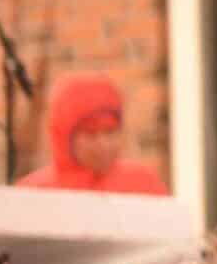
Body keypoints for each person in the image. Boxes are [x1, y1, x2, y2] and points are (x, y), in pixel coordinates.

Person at [16, 72, 171, 195]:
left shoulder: (144, 186)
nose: (103, 144)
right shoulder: (34, 194)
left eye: (110, 132)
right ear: (63, 137)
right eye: (90, 134)